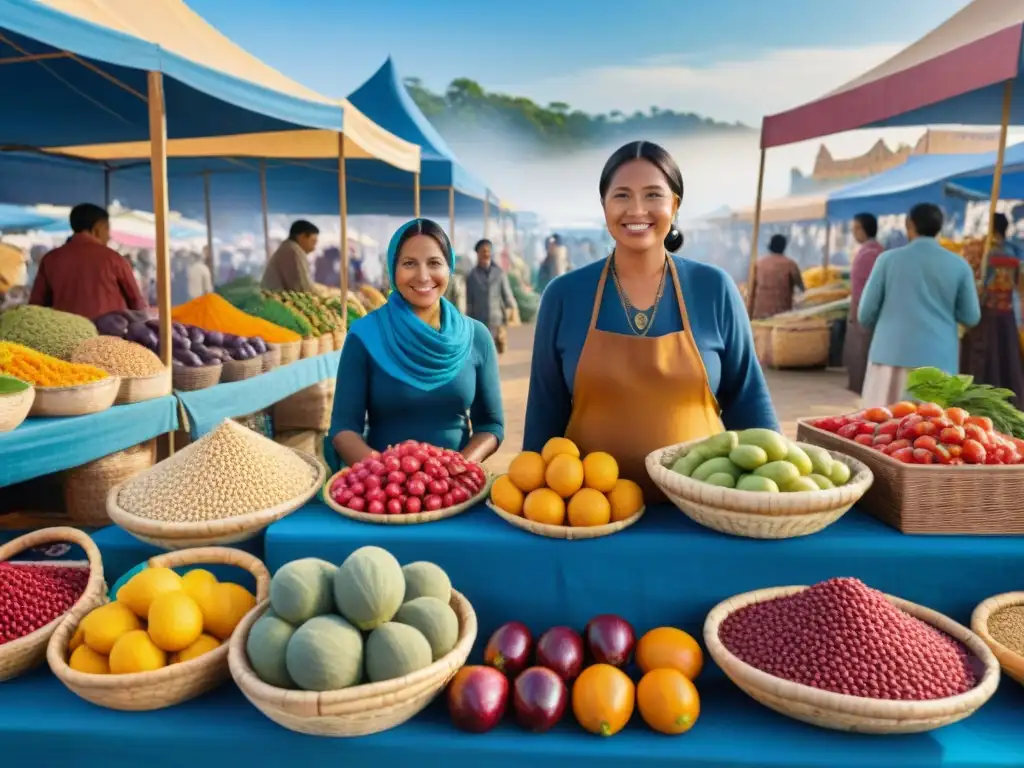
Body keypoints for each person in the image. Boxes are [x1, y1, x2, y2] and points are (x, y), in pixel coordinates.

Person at [523, 140, 778, 501]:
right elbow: (544, 415)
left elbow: (749, 401)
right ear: (604, 206)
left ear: (674, 205)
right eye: (622, 196)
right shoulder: (564, 295)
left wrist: (775, 497)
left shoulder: (713, 288)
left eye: (653, 195)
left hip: (705, 506)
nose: (637, 209)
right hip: (591, 512)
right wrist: (534, 503)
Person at [327, 218, 504, 472]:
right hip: (386, 497)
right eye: (409, 263)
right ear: (393, 269)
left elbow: (491, 425)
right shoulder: (364, 335)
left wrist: (458, 468)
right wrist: (386, 475)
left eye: (434, 263)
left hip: (455, 488)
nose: (423, 276)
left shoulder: (477, 336)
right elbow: (343, 429)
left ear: (449, 268)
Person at [858, 203, 981, 407]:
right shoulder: (959, 265)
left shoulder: (887, 260)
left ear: (909, 224)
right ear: (939, 228)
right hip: (939, 362)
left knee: (879, 428)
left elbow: (865, 314)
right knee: (931, 431)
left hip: (889, 357)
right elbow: (971, 316)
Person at [29, 203, 146, 320]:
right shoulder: (114, 259)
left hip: (66, 333)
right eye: (107, 229)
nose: (109, 236)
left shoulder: (51, 259)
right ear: (98, 228)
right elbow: (136, 302)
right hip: (110, 335)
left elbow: (36, 306)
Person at [961, 213, 1024, 406]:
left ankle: (982, 403)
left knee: (984, 363)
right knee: (1007, 360)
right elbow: (1020, 289)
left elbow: (975, 286)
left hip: (986, 315)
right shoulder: (1013, 255)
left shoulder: (984, 253)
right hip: (1007, 316)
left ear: (991, 228)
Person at [843, 213, 885, 395]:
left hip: (865, 313)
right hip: (863, 312)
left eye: (856, 228)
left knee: (862, 355)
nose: (853, 232)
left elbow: (867, 290)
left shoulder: (871, 254)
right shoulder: (874, 251)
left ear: (864, 228)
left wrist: (862, 315)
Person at [466, 239, 516, 355]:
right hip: (479, 320)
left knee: (496, 351)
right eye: (483, 251)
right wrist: (469, 320)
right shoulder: (472, 276)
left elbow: (506, 294)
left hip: (496, 319)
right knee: (481, 351)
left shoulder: (499, 273)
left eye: (488, 251)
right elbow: (469, 300)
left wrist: (512, 310)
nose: (486, 254)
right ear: (477, 254)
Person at [749, 234, 804, 320]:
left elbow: (751, 290)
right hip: (781, 314)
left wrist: (749, 313)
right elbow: (801, 287)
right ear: (784, 247)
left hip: (759, 312)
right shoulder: (790, 264)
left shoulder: (759, 264)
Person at [262, 220, 318, 292]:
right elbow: (302, 287)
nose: (314, 248)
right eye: (313, 242)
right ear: (302, 236)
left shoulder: (289, 247)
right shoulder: (293, 251)